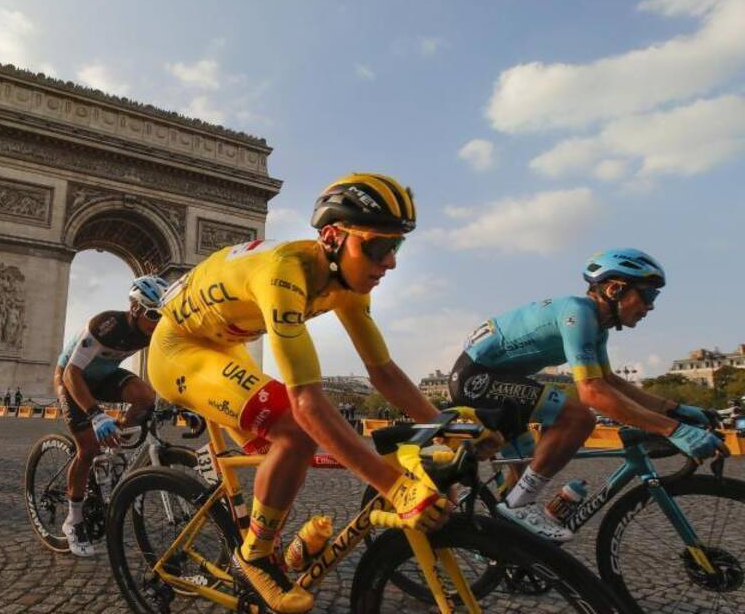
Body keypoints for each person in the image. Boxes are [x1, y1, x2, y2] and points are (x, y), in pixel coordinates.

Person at [149, 173, 452, 613]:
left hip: (225, 343)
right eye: (377, 247)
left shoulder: (347, 284)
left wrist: (443, 427)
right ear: (332, 236)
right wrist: (394, 485)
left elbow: (382, 372)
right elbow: (308, 403)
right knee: (295, 428)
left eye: (396, 247)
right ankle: (253, 556)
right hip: (180, 350)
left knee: (285, 451)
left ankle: (281, 553)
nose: (390, 262)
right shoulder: (283, 274)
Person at [448, 248, 728, 542]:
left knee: (524, 472)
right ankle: (515, 507)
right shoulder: (578, 313)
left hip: (498, 378)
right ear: (614, 289)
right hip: (476, 378)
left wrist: (675, 409)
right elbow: (592, 392)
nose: (650, 307)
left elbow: (610, 381)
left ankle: (507, 550)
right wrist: (672, 429)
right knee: (577, 417)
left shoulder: (596, 327)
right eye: (647, 296)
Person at [55, 275, 169, 557]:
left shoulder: (155, 329)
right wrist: (96, 414)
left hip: (105, 376)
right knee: (88, 448)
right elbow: (72, 372)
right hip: (72, 378)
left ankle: (115, 438)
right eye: (154, 315)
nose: (159, 323)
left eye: (163, 315)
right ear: (135, 309)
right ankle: (74, 518)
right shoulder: (105, 325)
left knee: (146, 396)